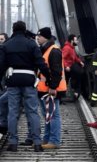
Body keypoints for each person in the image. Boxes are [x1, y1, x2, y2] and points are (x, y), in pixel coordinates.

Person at [0, 21, 50, 152]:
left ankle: (13, 143)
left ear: (13, 30)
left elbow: (1, 66)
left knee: (12, 112)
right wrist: (49, 77)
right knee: (32, 111)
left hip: (13, 81)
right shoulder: (31, 44)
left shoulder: (6, 45)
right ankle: (37, 143)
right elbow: (40, 63)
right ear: (25, 29)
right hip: (28, 80)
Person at [36, 27, 67, 149]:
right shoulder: (46, 49)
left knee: (53, 115)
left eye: (40, 36)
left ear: (46, 37)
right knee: (48, 115)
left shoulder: (53, 50)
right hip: (44, 89)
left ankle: (54, 141)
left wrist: (53, 87)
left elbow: (56, 70)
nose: (38, 38)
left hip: (52, 89)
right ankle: (47, 139)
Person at [62, 34, 84, 100]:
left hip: (71, 67)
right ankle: (62, 96)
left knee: (76, 77)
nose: (77, 42)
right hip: (68, 68)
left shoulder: (72, 48)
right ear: (72, 41)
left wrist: (80, 61)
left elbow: (75, 57)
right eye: (76, 40)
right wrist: (66, 67)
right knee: (65, 81)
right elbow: (62, 58)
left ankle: (75, 92)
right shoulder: (67, 48)